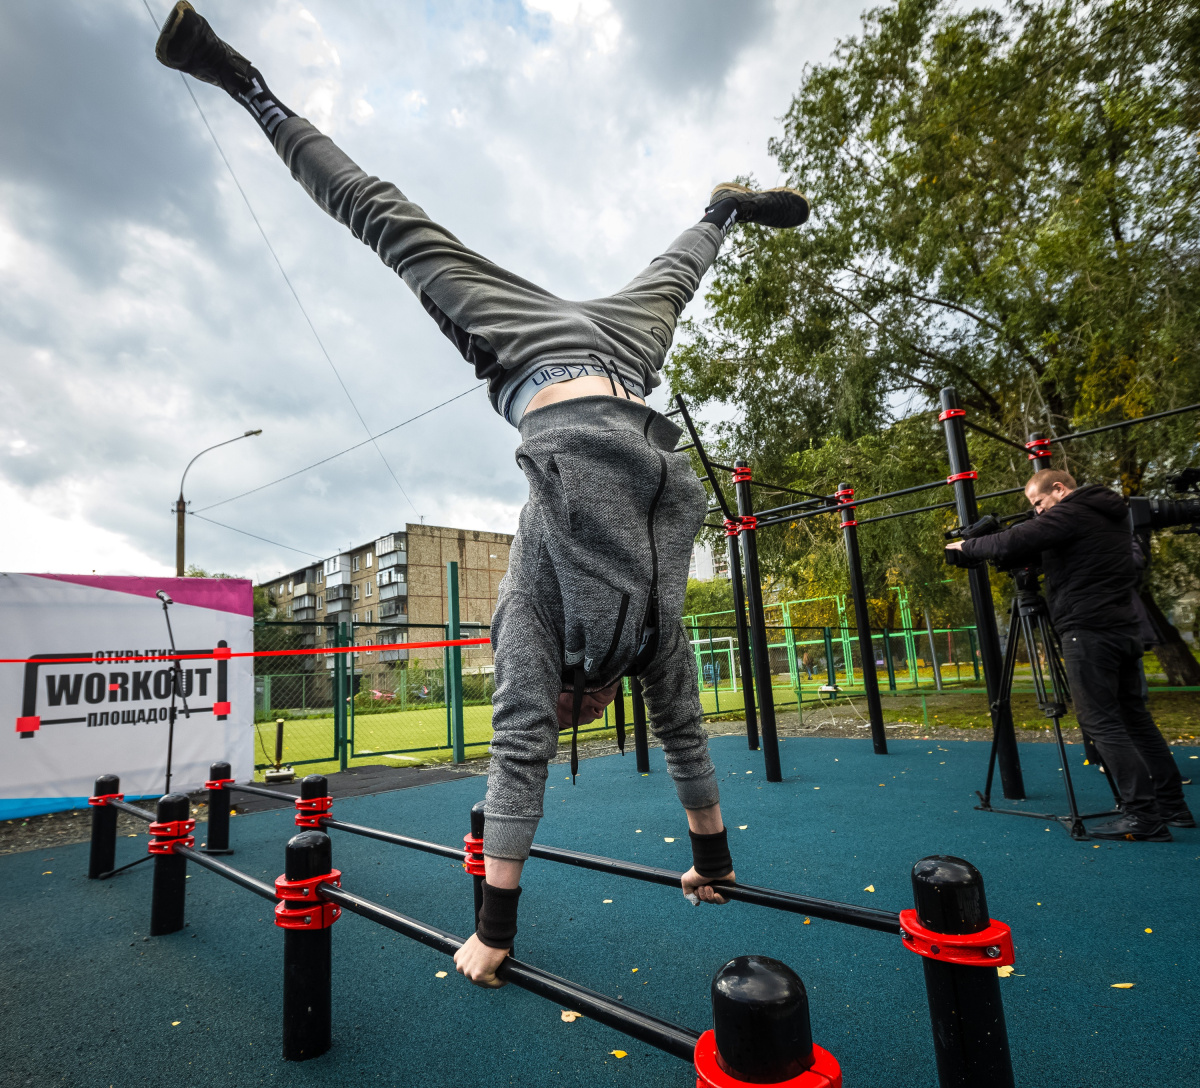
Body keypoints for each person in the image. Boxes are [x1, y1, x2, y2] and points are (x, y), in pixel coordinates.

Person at [153, 4, 811, 985]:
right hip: (606, 366)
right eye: (575, 708)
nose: (566, 708)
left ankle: (247, 85)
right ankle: (718, 209)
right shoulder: (619, 630)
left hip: (565, 369)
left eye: (570, 708)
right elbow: (631, 737)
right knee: (668, 279)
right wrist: (688, 868)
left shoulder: (560, 620)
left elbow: (575, 743)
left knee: (387, 216)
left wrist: (501, 927)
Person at [946, 468, 1194, 841]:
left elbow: (1013, 540)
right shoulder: (1110, 517)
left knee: (1100, 722)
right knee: (1134, 719)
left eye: (1038, 503)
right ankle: (1172, 806)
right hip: (1122, 628)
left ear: (1059, 490)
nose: (1038, 512)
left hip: (1088, 631)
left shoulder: (1072, 512)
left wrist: (965, 547)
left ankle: (1143, 815)